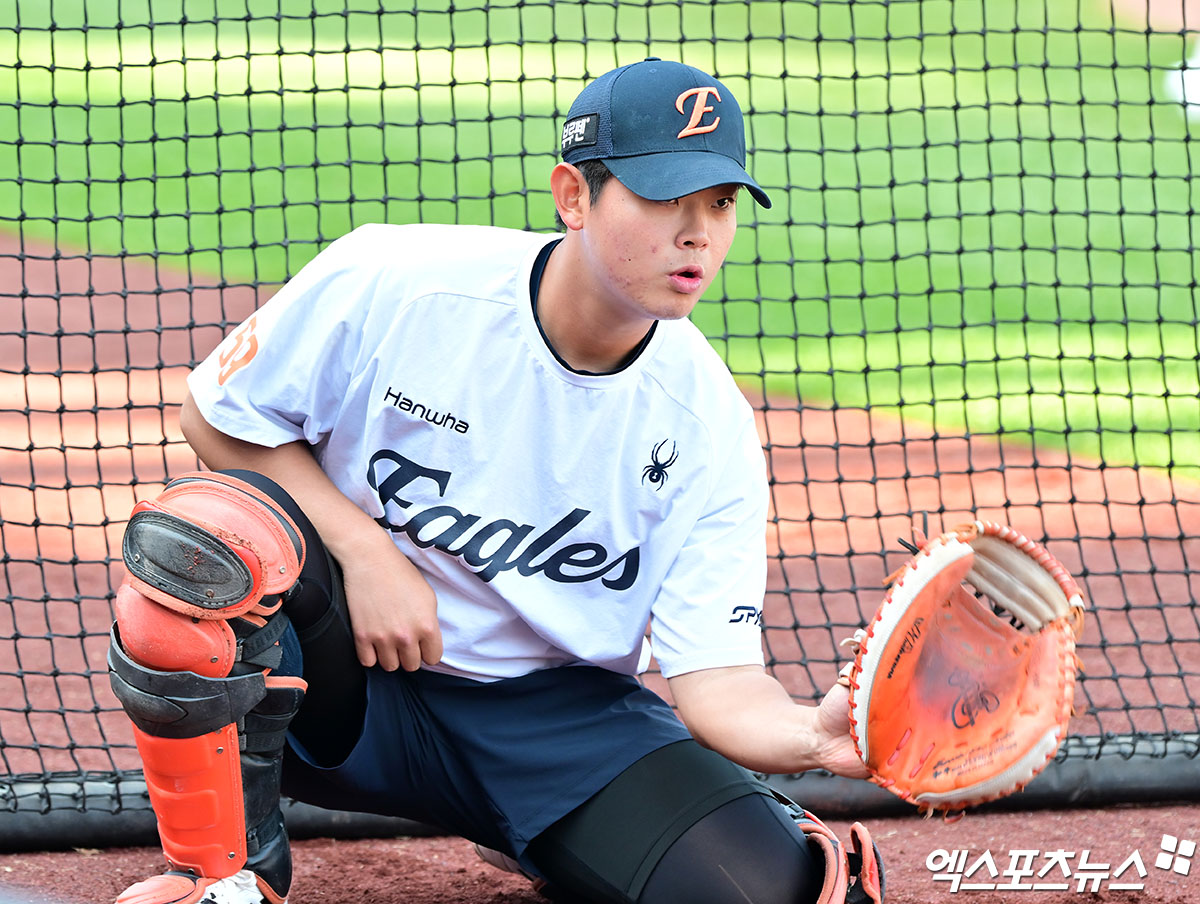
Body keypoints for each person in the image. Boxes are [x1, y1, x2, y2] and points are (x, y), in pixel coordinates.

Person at [107, 59, 883, 904]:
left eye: (721, 203)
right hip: (346, 678)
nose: (698, 232)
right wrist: (364, 549)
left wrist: (813, 733)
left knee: (770, 894)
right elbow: (216, 416)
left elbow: (719, 683)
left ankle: (553, 839)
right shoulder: (401, 283)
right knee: (205, 547)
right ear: (574, 196)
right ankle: (228, 876)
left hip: (559, 730)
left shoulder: (708, 427)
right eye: (664, 198)